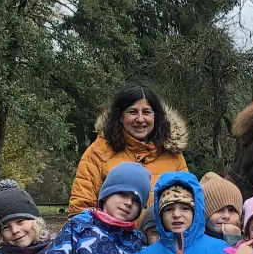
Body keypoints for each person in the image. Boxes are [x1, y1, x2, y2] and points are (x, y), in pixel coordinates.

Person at [68, 83, 189, 215]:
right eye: (132, 112)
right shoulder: (98, 153)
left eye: (147, 112)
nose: (140, 119)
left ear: (156, 116)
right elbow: (81, 210)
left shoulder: (173, 155)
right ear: (120, 116)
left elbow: (187, 205)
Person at [201, 172, 244, 245]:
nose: (226, 216)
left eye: (231, 210)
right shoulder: (196, 244)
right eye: (218, 210)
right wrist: (232, 240)